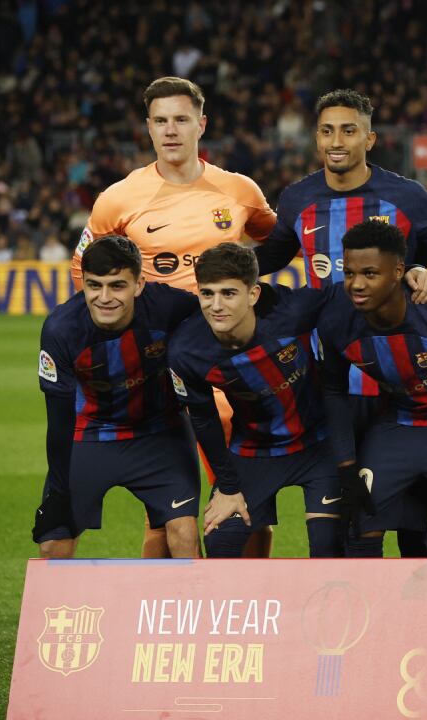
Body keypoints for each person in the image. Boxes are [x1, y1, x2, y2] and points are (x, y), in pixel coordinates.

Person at [75, 76, 278, 558]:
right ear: (147, 127)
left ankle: (252, 613)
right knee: (168, 512)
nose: (171, 130)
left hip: (234, 363)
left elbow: (275, 243)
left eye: (181, 119)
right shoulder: (119, 199)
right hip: (159, 367)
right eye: (160, 120)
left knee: (251, 505)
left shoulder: (239, 191)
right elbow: (84, 271)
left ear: (201, 125)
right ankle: (161, 621)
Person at [253, 89, 427, 557]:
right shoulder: (298, 198)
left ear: (370, 138)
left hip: (396, 383)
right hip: (328, 384)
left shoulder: (407, 196)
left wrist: (422, 271)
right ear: (316, 139)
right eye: (326, 130)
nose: (336, 140)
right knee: (345, 516)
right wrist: (208, 264)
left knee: (407, 519)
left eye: (348, 130)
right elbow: (270, 258)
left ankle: (413, 620)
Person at [318, 220, 427, 558]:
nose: (357, 284)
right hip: (397, 426)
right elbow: (333, 391)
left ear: (399, 271)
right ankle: (369, 609)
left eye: (370, 273)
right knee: (359, 522)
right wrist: (346, 465)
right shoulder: (336, 320)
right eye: (349, 273)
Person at [167, 243, 344, 558]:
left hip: (319, 445)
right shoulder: (186, 350)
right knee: (221, 541)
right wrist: (228, 487)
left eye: (229, 293)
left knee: (329, 545)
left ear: (253, 294)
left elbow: (356, 295)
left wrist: (415, 272)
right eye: (207, 294)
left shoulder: (294, 312)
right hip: (253, 450)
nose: (216, 305)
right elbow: (204, 419)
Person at [32, 235, 200, 559]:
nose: (104, 298)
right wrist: (59, 490)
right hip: (92, 433)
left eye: (117, 286)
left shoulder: (169, 306)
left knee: (184, 535)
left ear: (139, 284)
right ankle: (58, 612)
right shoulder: (61, 329)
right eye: (94, 286)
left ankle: (187, 609)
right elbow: (59, 420)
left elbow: (217, 325)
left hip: (161, 433)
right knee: (53, 544)